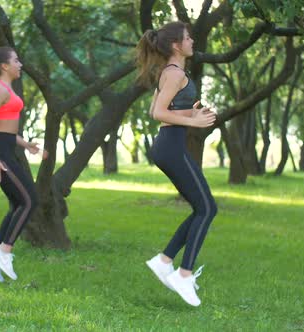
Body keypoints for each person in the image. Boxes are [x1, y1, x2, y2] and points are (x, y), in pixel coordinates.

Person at [135, 22, 218, 307]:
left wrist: (190, 114)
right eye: (187, 38)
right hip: (170, 146)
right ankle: (183, 274)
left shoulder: (170, 73)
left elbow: (156, 109)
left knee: (202, 208)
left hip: (169, 145)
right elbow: (158, 113)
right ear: (175, 45)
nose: (192, 41)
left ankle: (164, 261)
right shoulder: (174, 73)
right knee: (207, 208)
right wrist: (191, 120)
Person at [0, 46, 43, 282]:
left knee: (18, 202)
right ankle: (5, 251)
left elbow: (3, 127)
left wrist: (25, 144)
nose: (20, 64)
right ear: (4, 66)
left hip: (6, 149)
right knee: (29, 200)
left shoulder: (7, 90)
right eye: (16, 60)